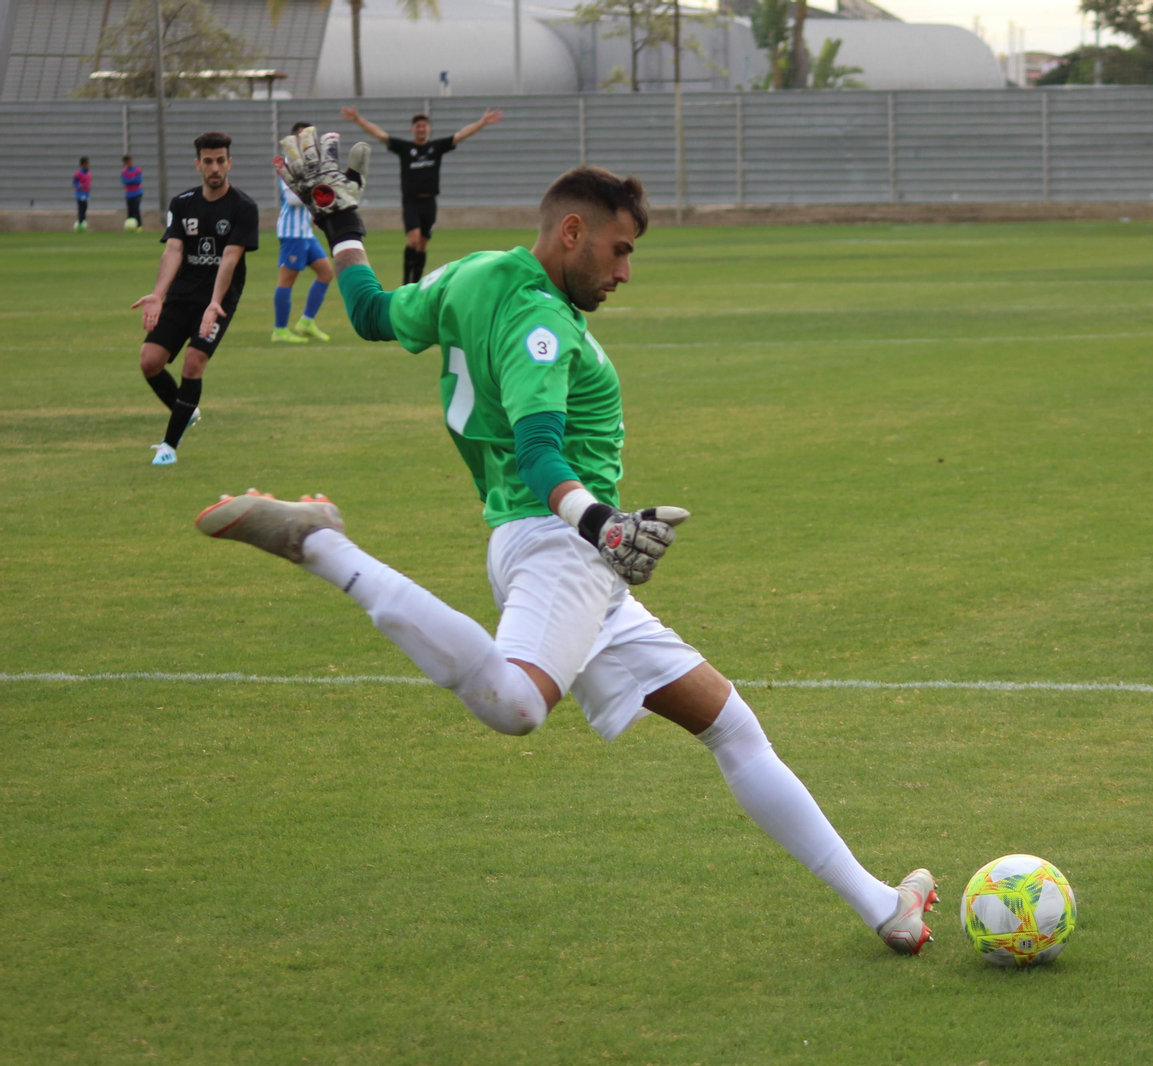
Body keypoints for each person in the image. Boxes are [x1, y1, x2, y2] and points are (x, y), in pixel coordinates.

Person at [198, 128, 938, 956]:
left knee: (729, 724)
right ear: (573, 233)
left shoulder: (475, 273)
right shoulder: (541, 323)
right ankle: (323, 546)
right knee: (515, 705)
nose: (625, 273)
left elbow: (371, 312)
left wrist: (340, 221)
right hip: (563, 546)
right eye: (619, 252)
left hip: (566, 556)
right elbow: (539, 448)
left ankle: (885, 905)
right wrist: (601, 524)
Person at [130, 131, 259, 466]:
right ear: (198, 164)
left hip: (218, 300)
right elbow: (174, 250)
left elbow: (230, 258)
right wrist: (158, 295)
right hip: (181, 297)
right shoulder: (182, 203)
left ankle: (169, 446)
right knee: (149, 361)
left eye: (220, 161)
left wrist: (215, 302)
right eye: (208, 161)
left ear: (229, 163)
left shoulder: (244, 207)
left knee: (193, 362)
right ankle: (185, 411)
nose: (214, 167)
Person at [339, 105, 504, 284]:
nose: (421, 129)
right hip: (411, 202)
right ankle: (406, 281)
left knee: (423, 244)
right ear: (413, 129)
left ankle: (416, 283)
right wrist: (358, 119)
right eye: (418, 126)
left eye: (424, 126)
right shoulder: (405, 148)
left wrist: (483, 122)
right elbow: (379, 134)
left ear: (428, 129)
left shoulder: (436, 147)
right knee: (413, 240)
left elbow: (461, 135)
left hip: (430, 202)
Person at [271, 122, 335, 344]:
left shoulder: (310, 164)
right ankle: (279, 330)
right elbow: (291, 198)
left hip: (305, 233)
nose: (307, 141)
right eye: (303, 137)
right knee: (286, 280)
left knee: (326, 272)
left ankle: (306, 322)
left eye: (310, 137)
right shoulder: (288, 164)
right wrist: (319, 193)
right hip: (292, 233)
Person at [121, 155, 144, 231]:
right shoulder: (124, 172)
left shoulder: (137, 170)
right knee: (130, 210)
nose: (129, 163)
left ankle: (139, 226)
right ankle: (129, 226)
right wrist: (132, 179)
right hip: (129, 194)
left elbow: (138, 181)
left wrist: (130, 180)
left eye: (129, 161)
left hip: (137, 193)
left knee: (136, 209)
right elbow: (124, 181)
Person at [72, 157, 91, 232]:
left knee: (85, 208)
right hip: (80, 194)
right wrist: (80, 186)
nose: (87, 165)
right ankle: (80, 224)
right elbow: (74, 183)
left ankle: (83, 223)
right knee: (81, 209)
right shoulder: (78, 173)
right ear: (82, 164)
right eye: (86, 164)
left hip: (86, 194)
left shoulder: (89, 173)